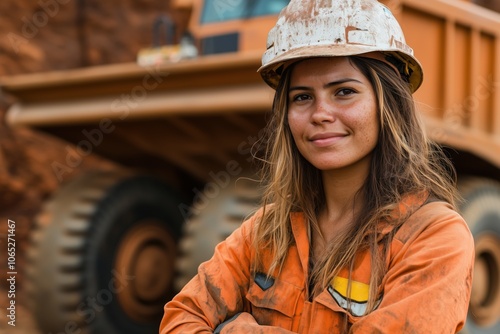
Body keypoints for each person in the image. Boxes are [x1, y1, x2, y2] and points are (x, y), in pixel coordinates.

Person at [160, 0, 474, 332]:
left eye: (344, 92)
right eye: (302, 97)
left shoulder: (432, 237)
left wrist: (233, 330)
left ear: (389, 105)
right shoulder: (267, 229)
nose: (320, 114)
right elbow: (181, 318)